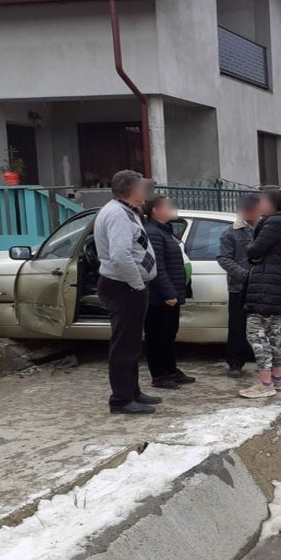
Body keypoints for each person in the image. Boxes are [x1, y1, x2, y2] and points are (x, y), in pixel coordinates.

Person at [93, 170, 159, 414]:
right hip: (124, 286)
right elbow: (120, 256)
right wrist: (138, 284)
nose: (146, 191)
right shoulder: (117, 214)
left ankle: (132, 392)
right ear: (132, 189)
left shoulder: (126, 211)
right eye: (143, 187)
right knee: (124, 345)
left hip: (128, 285)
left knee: (132, 343)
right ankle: (121, 400)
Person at [240, 189, 281, 399]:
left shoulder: (274, 223)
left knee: (256, 332)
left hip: (267, 285)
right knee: (274, 331)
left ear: (272, 204)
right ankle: (278, 378)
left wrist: (251, 248)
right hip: (276, 284)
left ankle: (264, 382)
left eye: (261, 201)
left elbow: (254, 251)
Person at [142, 196, 193, 390]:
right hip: (158, 298)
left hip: (171, 294)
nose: (172, 208)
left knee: (169, 334)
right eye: (167, 206)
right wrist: (168, 293)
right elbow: (157, 267)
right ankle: (159, 375)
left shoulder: (164, 230)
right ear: (155, 210)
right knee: (157, 336)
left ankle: (171, 370)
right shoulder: (152, 232)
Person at [217, 193, 259, 377]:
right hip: (238, 286)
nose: (250, 212)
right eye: (246, 209)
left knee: (261, 325)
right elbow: (223, 258)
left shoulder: (265, 229)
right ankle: (235, 363)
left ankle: (258, 356)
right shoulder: (231, 232)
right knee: (237, 325)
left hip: (261, 285)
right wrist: (243, 274)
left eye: (253, 208)